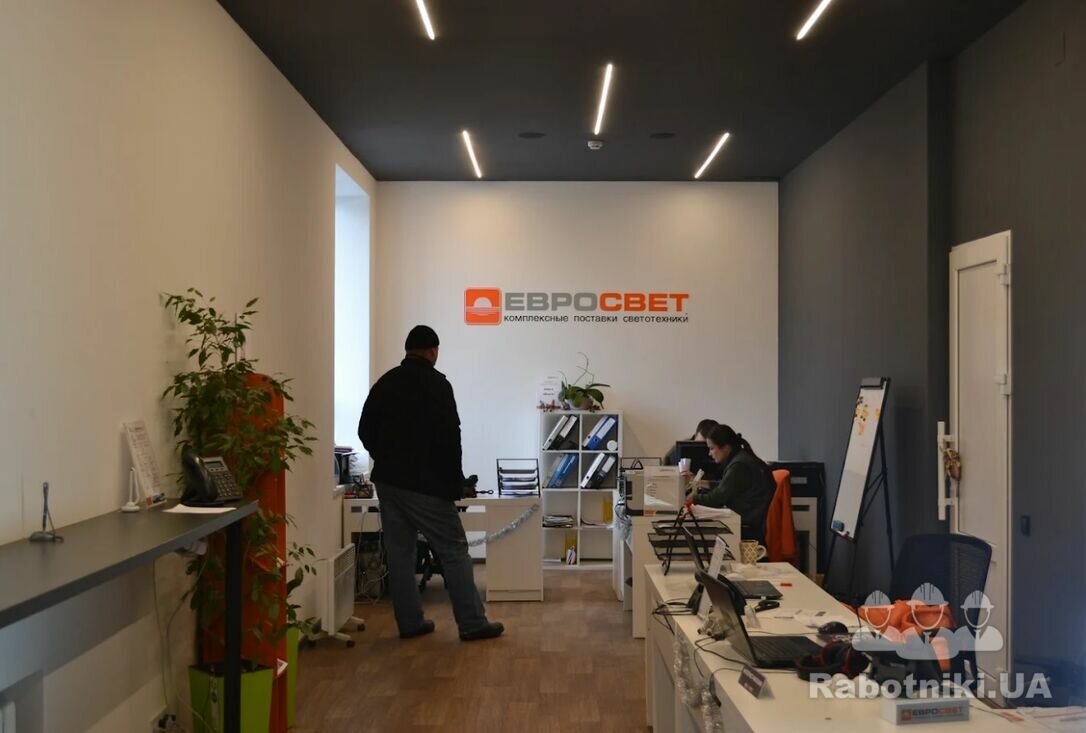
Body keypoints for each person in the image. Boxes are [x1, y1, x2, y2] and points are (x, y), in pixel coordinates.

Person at [358, 325, 504, 642]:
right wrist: (455, 484)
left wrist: (385, 457)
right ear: (433, 351)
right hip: (427, 486)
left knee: (399, 555)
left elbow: (364, 430)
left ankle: (410, 623)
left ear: (407, 349)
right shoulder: (438, 385)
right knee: (454, 550)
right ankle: (472, 623)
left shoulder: (385, 382)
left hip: (388, 483)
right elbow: (451, 439)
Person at [688, 424, 776, 543]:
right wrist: (702, 483)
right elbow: (727, 486)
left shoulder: (739, 465)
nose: (709, 453)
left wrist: (690, 499)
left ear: (725, 447)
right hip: (751, 520)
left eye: (712, 448)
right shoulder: (741, 458)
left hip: (747, 526)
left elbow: (716, 499)